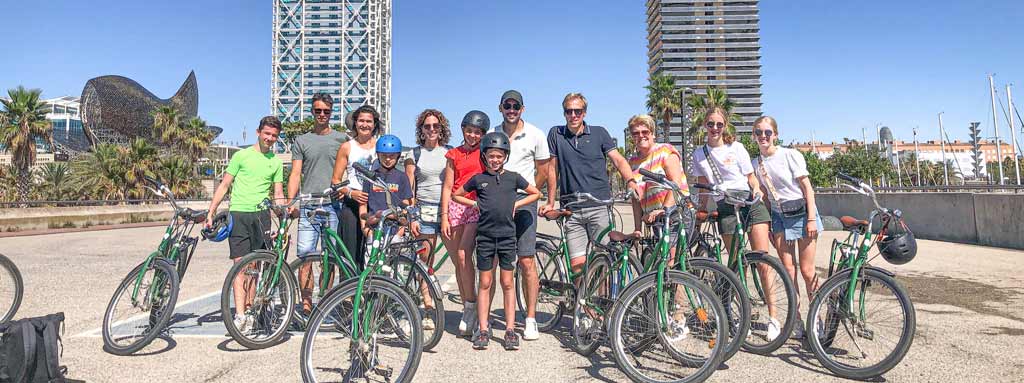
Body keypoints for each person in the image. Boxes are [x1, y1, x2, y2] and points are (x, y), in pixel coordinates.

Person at [691, 106, 777, 339]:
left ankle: (774, 317)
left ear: (725, 125)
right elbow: (702, 187)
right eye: (711, 124)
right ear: (705, 126)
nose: (715, 128)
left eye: (719, 124)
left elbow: (750, 178)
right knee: (737, 264)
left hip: (749, 202)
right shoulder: (699, 154)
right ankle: (742, 316)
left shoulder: (736, 147)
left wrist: (757, 189)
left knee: (762, 260)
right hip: (726, 206)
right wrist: (700, 211)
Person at [454, 131, 541, 350]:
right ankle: (483, 329)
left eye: (499, 156)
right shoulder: (479, 179)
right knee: (485, 282)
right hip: (485, 237)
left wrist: (517, 205)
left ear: (506, 156)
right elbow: (457, 194)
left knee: (507, 283)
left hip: (507, 237)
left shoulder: (513, 177)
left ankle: (510, 330)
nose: (495, 160)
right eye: (491, 156)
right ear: (484, 156)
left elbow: (535, 193)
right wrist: (473, 205)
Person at [542, 93, 641, 275]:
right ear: (564, 113)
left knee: (602, 262)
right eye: (569, 111)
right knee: (579, 267)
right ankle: (581, 303)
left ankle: (599, 303)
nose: (573, 115)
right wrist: (550, 201)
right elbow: (552, 170)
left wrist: (631, 181)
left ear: (584, 113)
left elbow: (618, 160)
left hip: (599, 207)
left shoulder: (599, 133)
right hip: (571, 209)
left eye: (577, 111)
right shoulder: (556, 134)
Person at [205, 116, 285, 330]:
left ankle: (251, 310)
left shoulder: (276, 162)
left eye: (274, 136)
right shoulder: (241, 156)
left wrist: (283, 213)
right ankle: (240, 314)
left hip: (262, 216)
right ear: (258, 132)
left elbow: (278, 192)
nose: (270, 138)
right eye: (267, 134)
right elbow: (224, 185)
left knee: (255, 267)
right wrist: (211, 211)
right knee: (240, 265)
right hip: (239, 214)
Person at [752, 115, 822, 339]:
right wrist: (770, 223)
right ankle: (796, 319)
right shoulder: (756, 164)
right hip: (779, 216)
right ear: (754, 136)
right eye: (759, 132)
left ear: (776, 135)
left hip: (802, 214)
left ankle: (817, 318)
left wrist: (811, 219)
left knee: (807, 270)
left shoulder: (790, 155)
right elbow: (763, 195)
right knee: (788, 271)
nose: (763, 136)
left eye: (767, 132)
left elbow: (807, 189)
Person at [490, 90, 550, 340]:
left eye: (516, 106)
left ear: (522, 109)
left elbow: (544, 171)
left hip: (523, 203)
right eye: (507, 105)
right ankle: (481, 320)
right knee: (492, 260)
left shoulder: (535, 134)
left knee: (526, 261)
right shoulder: (493, 133)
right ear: (500, 107)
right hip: (497, 202)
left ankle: (531, 318)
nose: (511, 109)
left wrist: (525, 194)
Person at [287, 93, 348, 315]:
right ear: (311, 111)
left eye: (326, 111)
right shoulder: (302, 140)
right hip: (308, 204)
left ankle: (325, 299)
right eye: (318, 110)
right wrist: (290, 201)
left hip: (333, 204)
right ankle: (306, 302)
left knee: (329, 257)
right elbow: (295, 174)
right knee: (305, 255)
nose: (322, 114)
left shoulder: (342, 139)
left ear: (332, 112)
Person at [440, 110, 487, 337]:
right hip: (456, 206)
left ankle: (476, 307)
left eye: (477, 132)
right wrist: (444, 216)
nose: (472, 135)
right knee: (460, 263)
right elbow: (448, 187)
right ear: (463, 130)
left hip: (477, 206)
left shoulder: (486, 153)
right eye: (469, 131)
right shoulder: (453, 154)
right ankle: (468, 307)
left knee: (463, 254)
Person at [626, 114, 688, 263]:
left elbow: (676, 184)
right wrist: (637, 228)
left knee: (670, 266)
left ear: (652, 133)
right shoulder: (633, 161)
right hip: (655, 219)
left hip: (675, 213)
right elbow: (636, 198)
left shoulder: (665, 151)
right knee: (660, 265)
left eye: (645, 132)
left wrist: (664, 209)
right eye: (636, 133)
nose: (641, 136)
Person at [331, 105, 381, 269]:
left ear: (374, 124)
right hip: (352, 205)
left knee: (374, 253)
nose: (365, 124)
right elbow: (336, 181)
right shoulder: (347, 147)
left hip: (376, 204)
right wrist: (351, 193)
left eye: (369, 121)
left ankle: (373, 291)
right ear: (355, 123)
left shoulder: (380, 145)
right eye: (361, 121)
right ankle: (350, 293)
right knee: (350, 255)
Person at [404, 109, 452, 275]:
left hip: (448, 208)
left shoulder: (450, 152)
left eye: (436, 126)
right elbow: (409, 189)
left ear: (441, 129)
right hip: (425, 208)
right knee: (426, 257)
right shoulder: (414, 154)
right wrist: (412, 216)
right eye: (427, 126)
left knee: (457, 256)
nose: (432, 129)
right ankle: (427, 296)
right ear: (422, 130)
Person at [361, 134, 413, 232]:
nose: (388, 159)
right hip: (373, 226)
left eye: (392, 156)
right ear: (378, 155)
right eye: (384, 155)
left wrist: (401, 230)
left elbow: (406, 203)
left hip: (395, 227)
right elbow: (363, 204)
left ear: (398, 156)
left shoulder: (402, 177)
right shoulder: (370, 177)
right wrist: (364, 228)